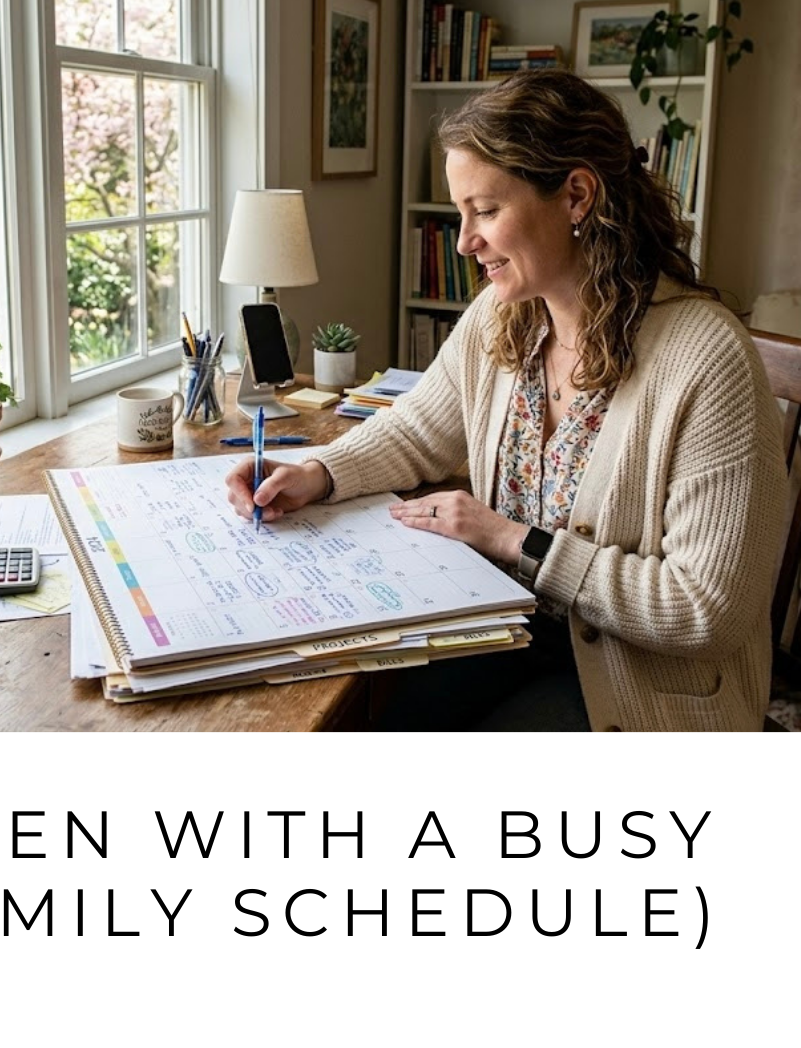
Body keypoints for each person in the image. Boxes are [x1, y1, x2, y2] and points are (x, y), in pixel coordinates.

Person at [226, 70, 787, 732]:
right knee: (368, 720)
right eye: (462, 213)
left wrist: (506, 538)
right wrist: (316, 474)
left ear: (576, 195)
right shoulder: (505, 316)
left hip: (642, 689)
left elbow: (704, 611)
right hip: (515, 633)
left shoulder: (704, 357)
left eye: (485, 211)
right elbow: (415, 430)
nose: (464, 240)